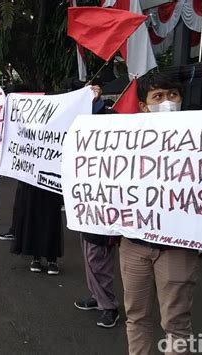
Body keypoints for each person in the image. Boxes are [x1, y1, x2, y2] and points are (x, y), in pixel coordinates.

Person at [118, 72, 199, 355]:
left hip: (177, 247)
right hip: (134, 245)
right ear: (143, 106)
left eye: (172, 95)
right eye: (158, 96)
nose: (167, 102)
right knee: (136, 316)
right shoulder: (122, 140)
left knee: (176, 324)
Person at [74, 87, 120, 328]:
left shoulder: (112, 129)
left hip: (106, 211)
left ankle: (109, 306)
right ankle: (97, 296)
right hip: (87, 208)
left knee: (98, 258)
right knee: (89, 257)